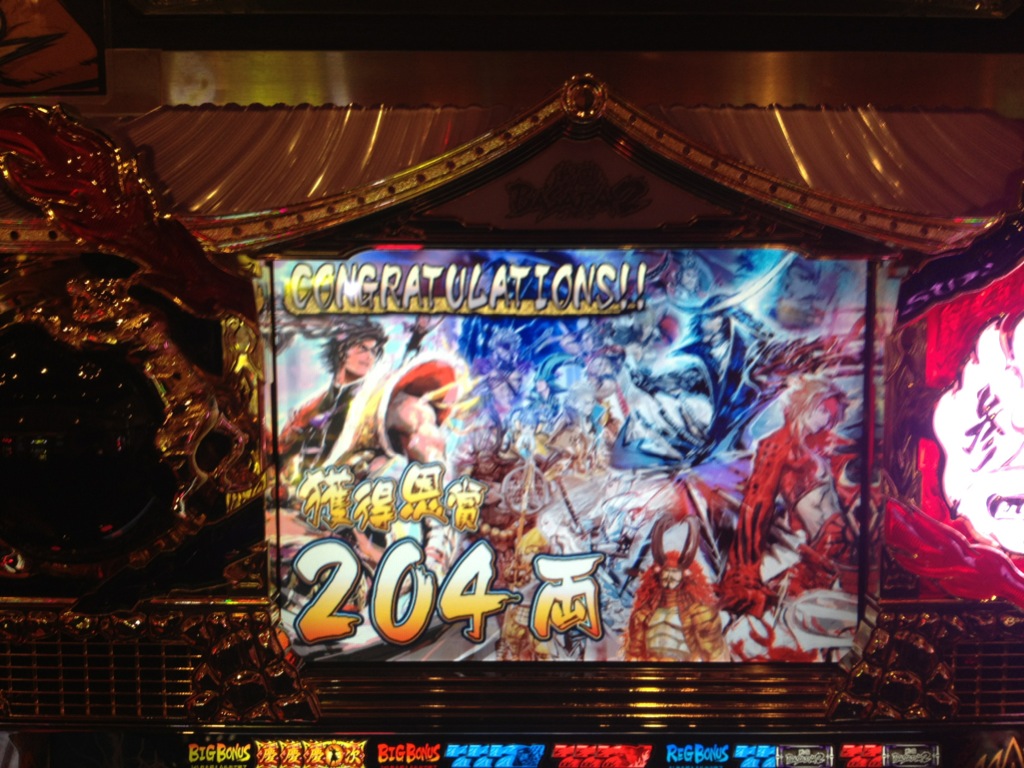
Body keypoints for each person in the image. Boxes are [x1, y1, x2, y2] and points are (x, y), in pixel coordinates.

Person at [720, 378, 858, 628]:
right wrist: (745, 570)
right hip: (826, 545)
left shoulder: (811, 445)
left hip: (842, 541)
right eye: (822, 410)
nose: (824, 421)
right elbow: (757, 505)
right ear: (805, 403)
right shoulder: (777, 444)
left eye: (830, 417)